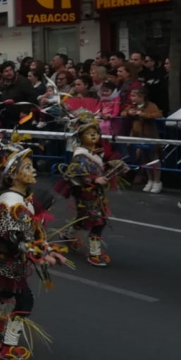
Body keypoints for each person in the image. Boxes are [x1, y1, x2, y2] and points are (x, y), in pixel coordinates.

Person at [0, 146, 67, 360]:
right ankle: (8, 347)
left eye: (32, 166)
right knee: (25, 300)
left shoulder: (20, 199)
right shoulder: (12, 203)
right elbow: (12, 237)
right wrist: (41, 254)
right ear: (14, 175)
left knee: (7, 291)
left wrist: (46, 249)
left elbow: (27, 233)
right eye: (28, 167)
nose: (34, 171)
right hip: (9, 258)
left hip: (7, 258)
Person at [54, 98, 128, 267]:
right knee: (98, 221)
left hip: (97, 193)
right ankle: (94, 253)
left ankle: (68, 235)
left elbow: (100, 166)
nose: (94, 135)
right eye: (89, 133)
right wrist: (94, 180)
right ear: (80, 137)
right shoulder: (80, 154)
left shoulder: (96, 152)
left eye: (95, 132)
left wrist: (115, 165)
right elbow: (72, 175)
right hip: (86, 193)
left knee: (83, 218)